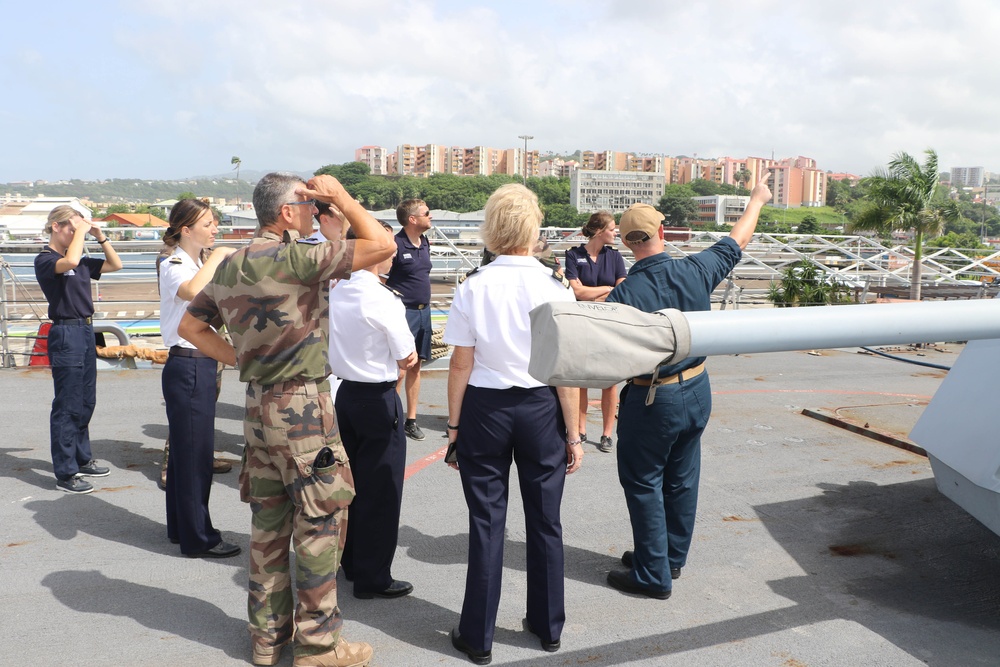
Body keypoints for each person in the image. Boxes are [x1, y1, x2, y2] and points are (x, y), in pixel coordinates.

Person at [179, 173, 395, 667]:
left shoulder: (231, 264)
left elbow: (191, 325)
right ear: (286, 213)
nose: (313, 211)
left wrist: (243, 362)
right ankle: (318, 646)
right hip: (303, 409)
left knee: (268, 527)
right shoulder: (297, 258)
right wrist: (340, 196)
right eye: (307, 203)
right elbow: (381, 245)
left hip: (257, 408)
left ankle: (268, 641)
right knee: (319, 525)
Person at [604, 176, 773, 600]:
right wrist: (756, 199)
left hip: (652, 396)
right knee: (682, 477)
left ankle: (652, 575)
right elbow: (739, 239)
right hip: (696, 388)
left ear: (627, 244)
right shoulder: (696, 268)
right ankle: (669, 558)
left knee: (644, 482)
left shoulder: (624, 294)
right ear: (662, 232)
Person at [443, 183, 583, 665]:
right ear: (533, 228)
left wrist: (455, 428)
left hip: (485, 406)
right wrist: (575, 432)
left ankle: (478, 636)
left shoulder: (472, 285)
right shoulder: (554, 286)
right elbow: (563, 368)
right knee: (546, 519)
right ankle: (547, 627)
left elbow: (460, 363)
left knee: (486, 521)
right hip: (541, 405)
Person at [329, 221, 418, 601]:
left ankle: (350, 562)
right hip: (377, 398)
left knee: (350, 487)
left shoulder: (335, 290)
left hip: (344, 395)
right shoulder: (383, 299)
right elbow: (407, 355)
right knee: (381, 492)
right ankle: (373, 576)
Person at [158, 198, 240, 558]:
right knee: (195, 456)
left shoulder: (192, 262)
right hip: (189, 363)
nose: (215, 228)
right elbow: (191, 291)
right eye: (208, 223)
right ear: (186, 229)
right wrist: (219, 255)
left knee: (183, 453)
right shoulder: (174, 262)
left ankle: (180, 527)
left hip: (195, 364)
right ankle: (198, 537)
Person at [34, 205, 123, 494]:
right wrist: (83, 231)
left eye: (77, 229)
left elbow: (115, 265)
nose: (75, 233)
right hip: (66, 331)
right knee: (67, 404)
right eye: (71, 228)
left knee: (86, 400)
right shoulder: (46, 260)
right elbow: (70, 262)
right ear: (56, 227)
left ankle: (82, 458)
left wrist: (100, 236)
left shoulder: (80, 259)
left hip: (86, 329)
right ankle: (65, 472)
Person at [564, 211, 627, 453]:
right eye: (612, 229)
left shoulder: (615, 257)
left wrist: (595, 291)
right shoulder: (573, 255)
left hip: (608, 324)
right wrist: (607, 289)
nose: (616, 233)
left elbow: (621, 291)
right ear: (599, 231)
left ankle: (607, 433)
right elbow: (576, 292)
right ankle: (580, 428)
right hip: (582, 324)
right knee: (582, 380)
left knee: (609, 382)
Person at [385, 199, 432, 441]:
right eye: (426, 213)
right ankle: (388, 416)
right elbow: (382, 280)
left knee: (416, 366)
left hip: (424, 312)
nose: (430, 216)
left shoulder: (424, 242)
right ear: (412, 219)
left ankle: (410, 420)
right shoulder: (395, 244)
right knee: (400, 369)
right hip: (403, 313)